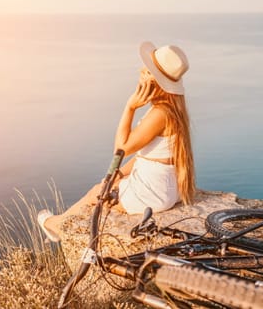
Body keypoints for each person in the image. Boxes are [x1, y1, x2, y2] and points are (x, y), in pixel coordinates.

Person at [38, 41, 195, 242]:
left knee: (96, 193)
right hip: (166, 188)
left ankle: (56, 227)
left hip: (152, 193)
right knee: (107, 183)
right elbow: (146, 158)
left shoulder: (160, 114)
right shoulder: (172, 110)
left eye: (147, 71)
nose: (141, 71)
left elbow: (121, 149)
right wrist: (119, 174)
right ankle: (58, 224)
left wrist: (129, 107)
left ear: (156, 81)